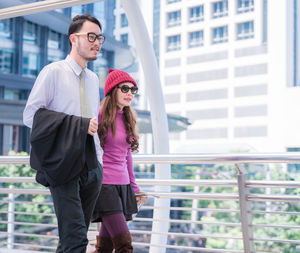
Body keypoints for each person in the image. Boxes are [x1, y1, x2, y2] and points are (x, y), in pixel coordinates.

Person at [23, 14, 104, 253]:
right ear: (73, 39)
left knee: (72, 239)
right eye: (91, 36)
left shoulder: (93, 79)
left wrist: (99, 164)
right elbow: (30, 116)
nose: (97, 42)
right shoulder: (53, 72)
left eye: (100, 38)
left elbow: (94, 123)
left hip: (91, 167)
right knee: (76, 240)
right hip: (64, 164)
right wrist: (77, 125)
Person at [92, 69, 147, 253]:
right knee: (124, 245)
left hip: (122, 186)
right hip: (104, 186)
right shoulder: (99, 116)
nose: (130, 93)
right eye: (125, 88)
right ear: (112, 90)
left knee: (105, 248)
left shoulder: (128, 117)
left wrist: (134, 188)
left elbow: (127, 157)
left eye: (133, 89)